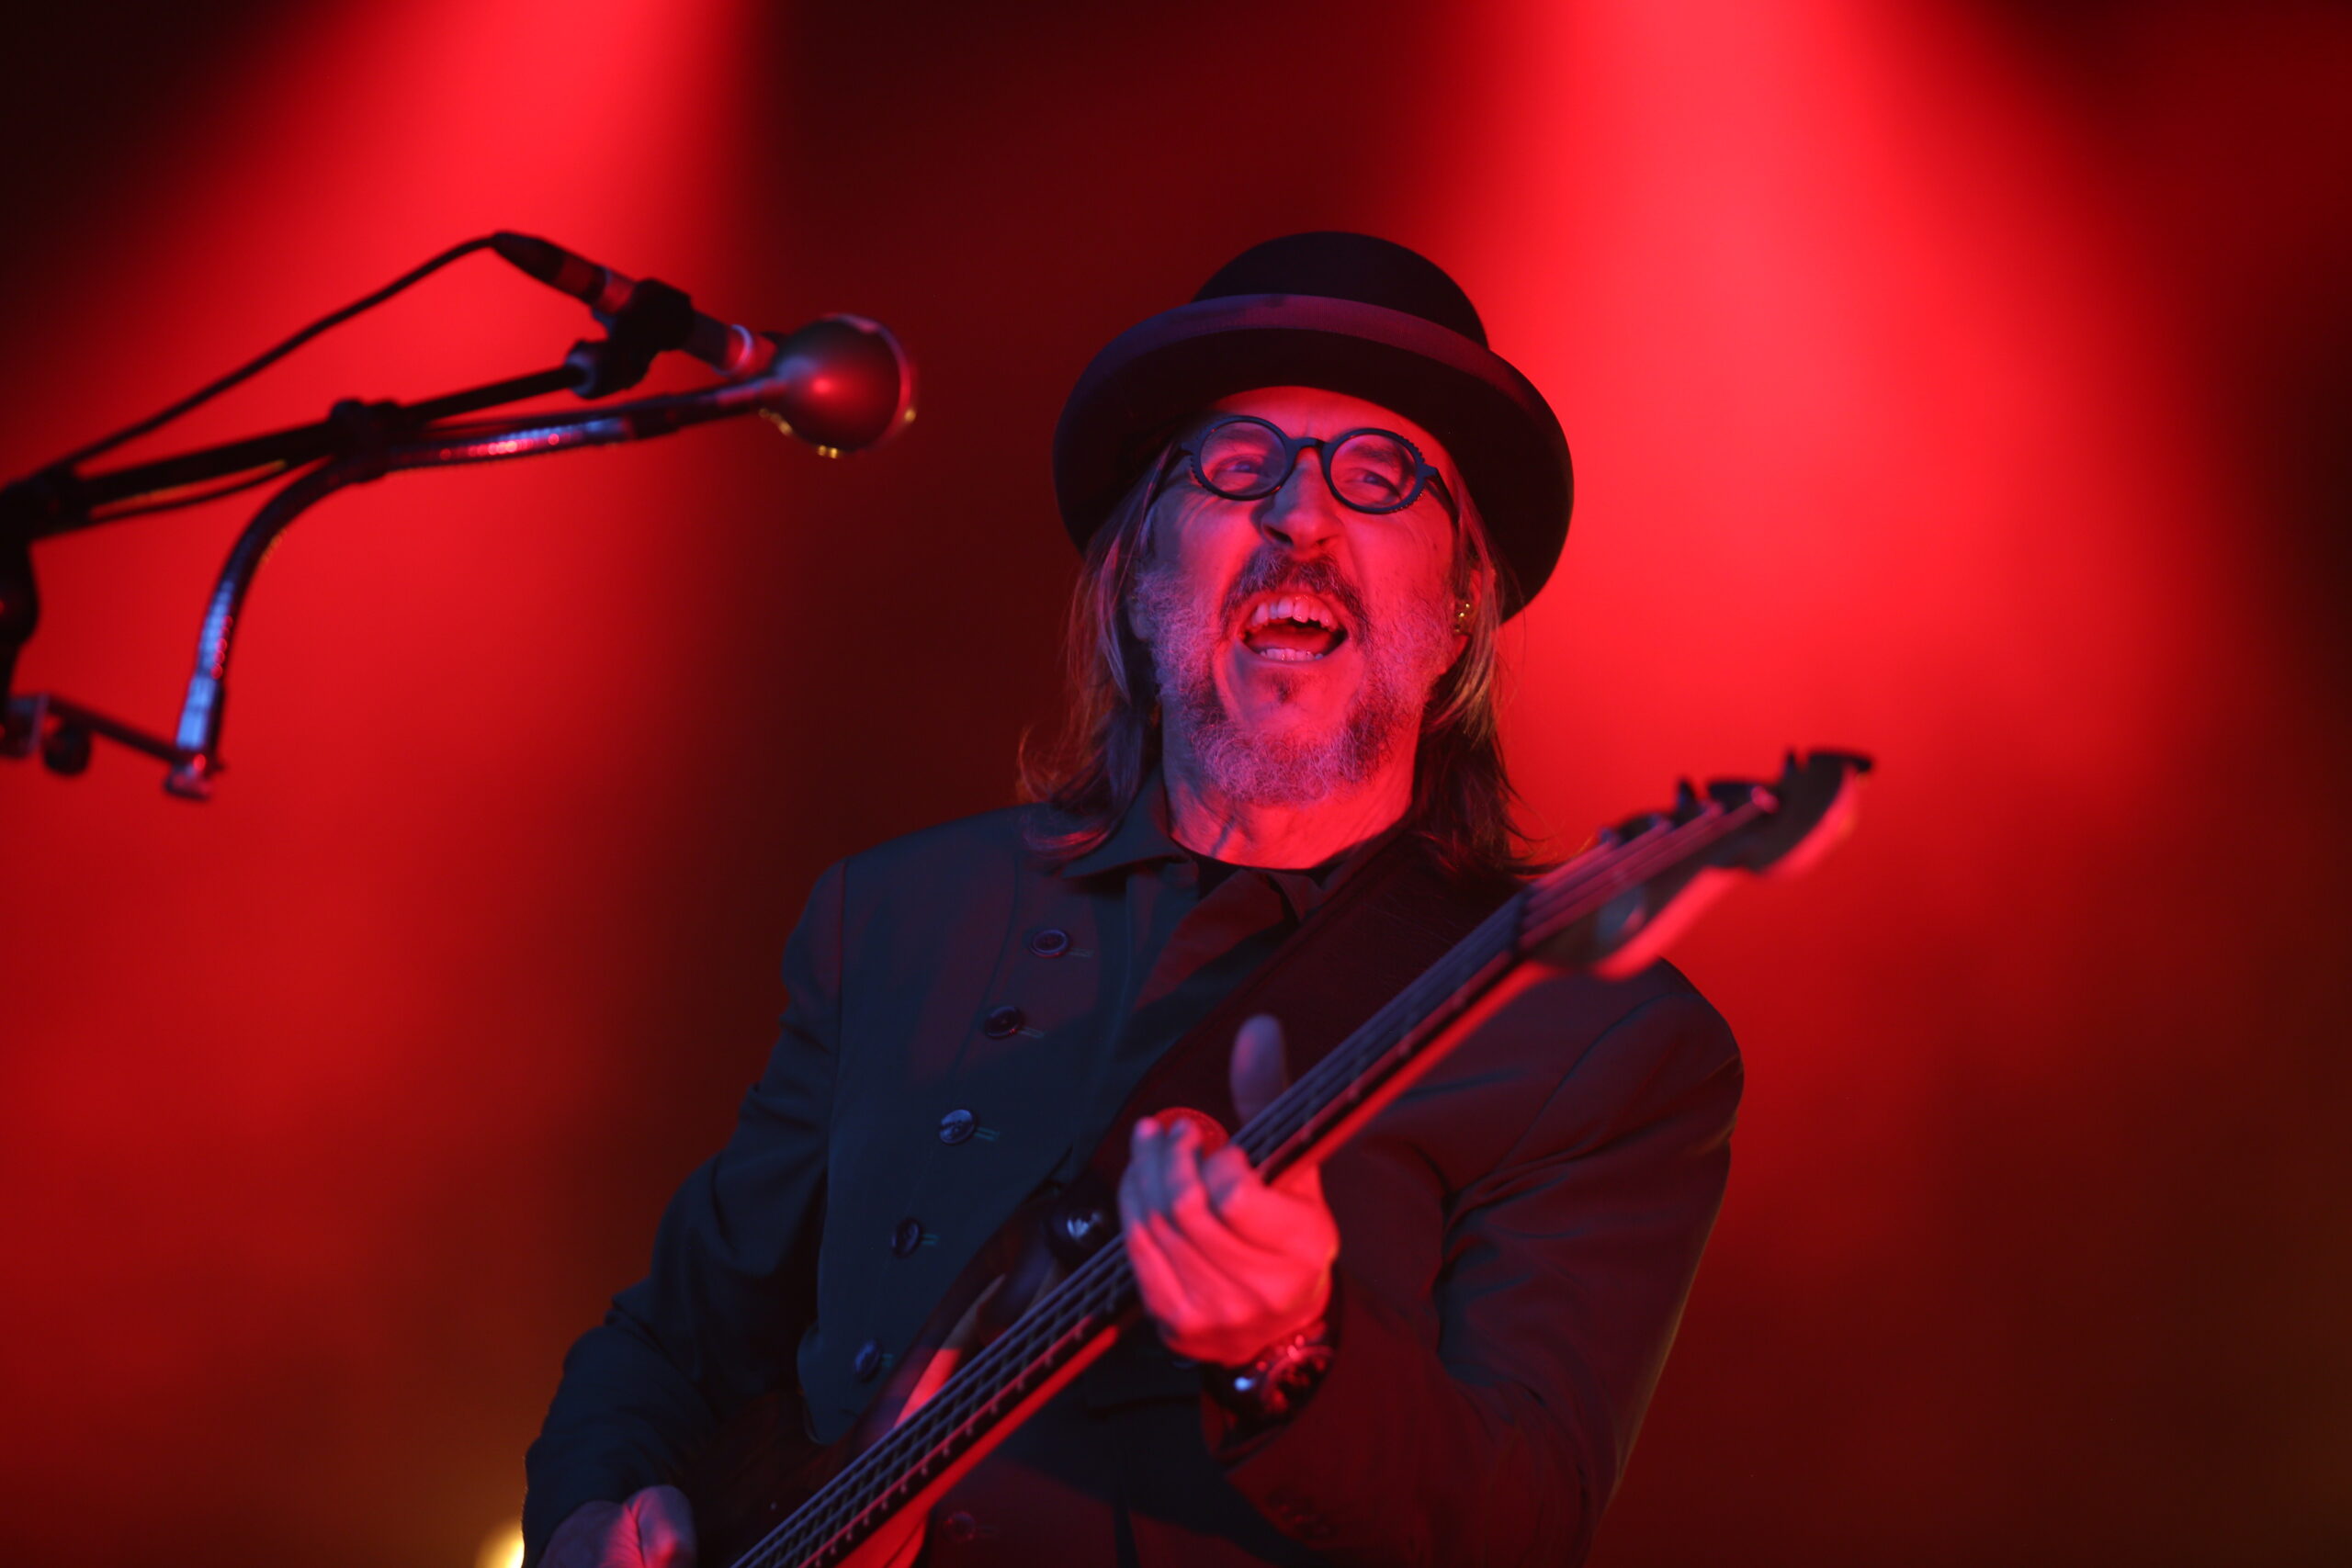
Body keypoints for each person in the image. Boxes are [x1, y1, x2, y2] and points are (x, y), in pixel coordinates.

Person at [523, 232, 1742, 1568]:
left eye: (1381, 477)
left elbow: (1516, 1521)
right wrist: (596, 1514)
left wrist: (1290, 1356)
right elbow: (671, 1344)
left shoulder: (1592, 1036)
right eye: (1235, 467)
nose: (1301, 515)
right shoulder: (899, 918)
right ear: (1142, 575)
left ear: (1459, 610)